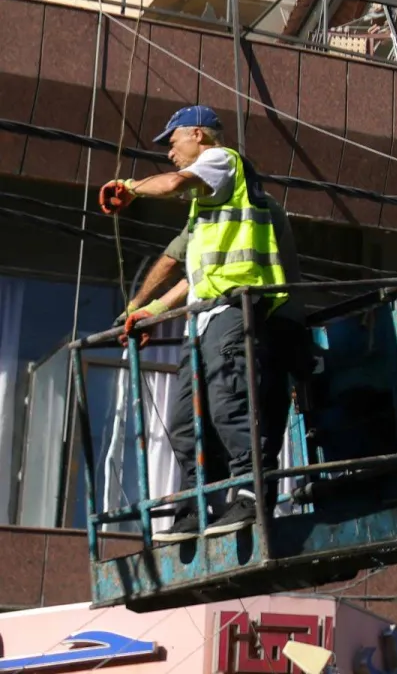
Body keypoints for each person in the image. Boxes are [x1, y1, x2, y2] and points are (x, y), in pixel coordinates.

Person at [101, 105, 303, 543]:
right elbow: (189, 274)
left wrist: (131, 187)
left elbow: (173, 182)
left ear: (198, 134)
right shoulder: (206, 208)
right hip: (204, 316)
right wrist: (150, 311)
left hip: (234, 309)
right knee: (183, 421)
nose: (170, 152)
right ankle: (196, 505)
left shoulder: (221, 160)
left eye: (172, 141)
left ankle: (251, 494)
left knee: (228, 402)